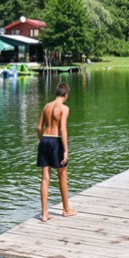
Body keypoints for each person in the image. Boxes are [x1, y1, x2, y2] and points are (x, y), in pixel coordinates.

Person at [37, 82, 78, 222]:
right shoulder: (64, 108)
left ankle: (44, 214)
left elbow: (38, 128)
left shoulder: (46, 106)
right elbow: (62, 129)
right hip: (56, 141)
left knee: (45, 178)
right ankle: (66, 210)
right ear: (66, 95)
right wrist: (66, 150)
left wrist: (43, 141)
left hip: (44, 140)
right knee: (62, 175)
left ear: (56, 93)